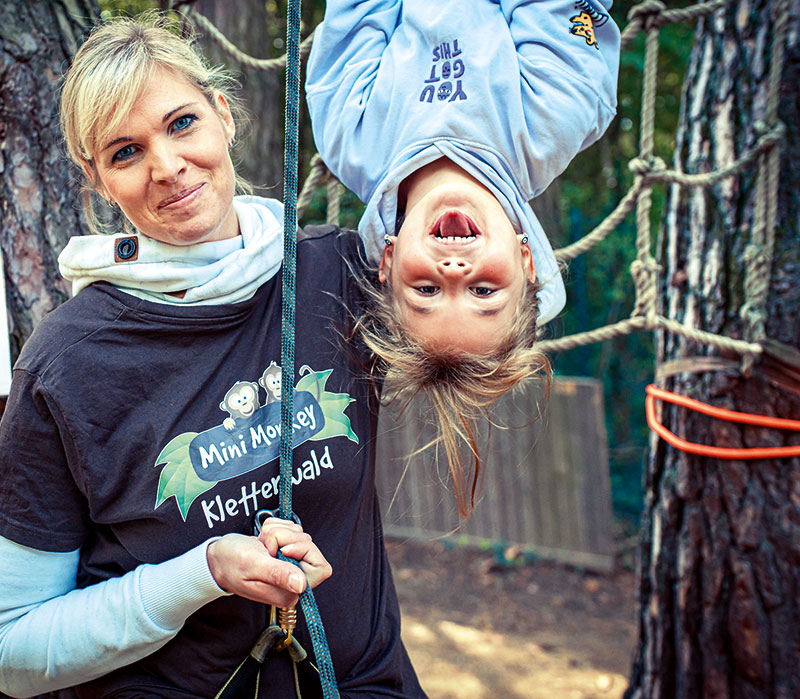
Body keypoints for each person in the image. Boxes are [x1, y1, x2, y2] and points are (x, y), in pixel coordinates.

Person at [0, 13, 424, 698]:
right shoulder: (68, 363)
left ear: (223, 114)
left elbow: (503, 313)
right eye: (126, 152)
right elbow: (11, 649)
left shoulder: (335, 273)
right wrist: (203, 572)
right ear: (98, 179)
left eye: (180, 123)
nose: (168, 167)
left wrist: (578, 16)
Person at [305, 0, 621, 513]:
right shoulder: (556, 118)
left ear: (386, 263)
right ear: (526, 263)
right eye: (484, 292)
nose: (454, 271)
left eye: (426, 291)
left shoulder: (349, 138)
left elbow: (355, 13)